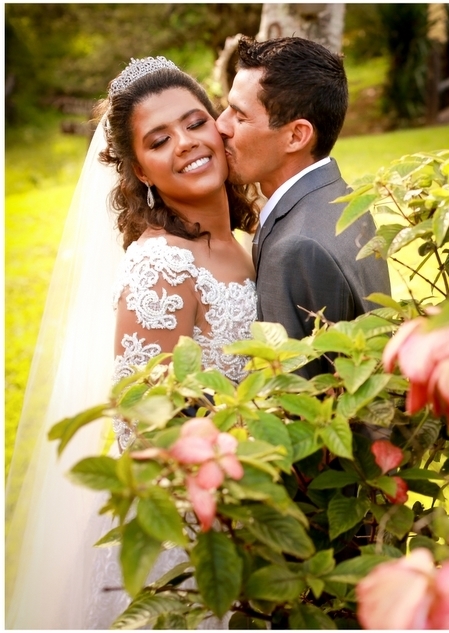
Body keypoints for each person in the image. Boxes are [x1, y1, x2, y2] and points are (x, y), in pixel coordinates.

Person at [5, 56, 259, 629]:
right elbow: (144, 425)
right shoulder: (162, 264)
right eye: (159, 139)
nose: (188, 144)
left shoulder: (243, 237)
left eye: (196, 123)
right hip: (191, 537)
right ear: (141, 171)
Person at [216, 36, 392, 378]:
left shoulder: (297, 248)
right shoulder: (342, 200)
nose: (220, 125)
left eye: (239, 115)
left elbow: (297, 404)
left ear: (296, 136)